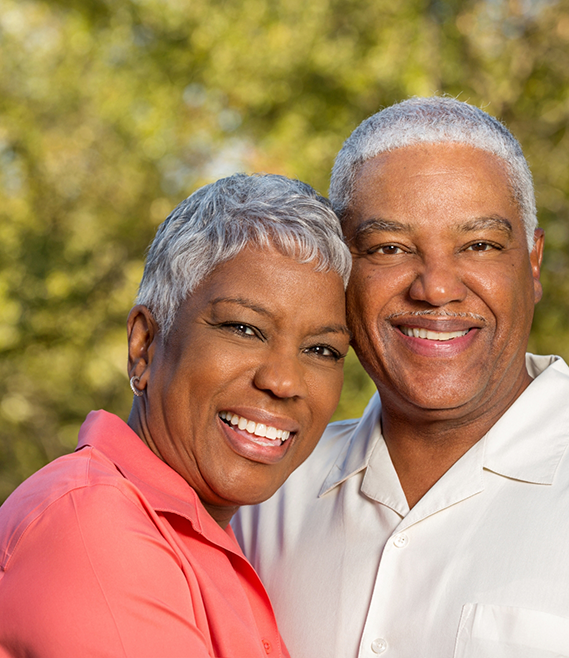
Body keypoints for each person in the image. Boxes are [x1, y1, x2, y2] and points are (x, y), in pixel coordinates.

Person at [234, 97, 569, 657]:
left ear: (532, 263)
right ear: (340, 271)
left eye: (479, 245)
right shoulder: (264, 494)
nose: (436, 288)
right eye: (389, 248)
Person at [0, 173, 352, 657]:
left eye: (321, 349)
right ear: (144, 345)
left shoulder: (212, 541)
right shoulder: (93, 522)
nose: (284, 381)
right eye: (244, 329)